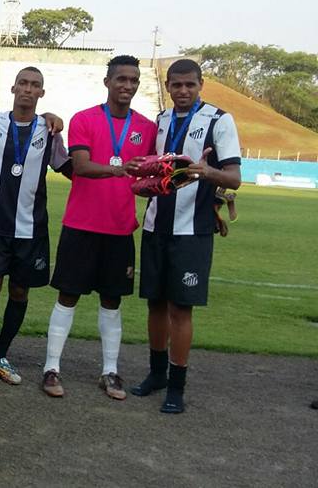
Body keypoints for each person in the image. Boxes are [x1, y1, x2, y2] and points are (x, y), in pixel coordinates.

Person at [41, 55, 158, 400]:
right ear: (107, 82)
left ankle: (110, 371)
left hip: (120, 228)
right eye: (121, 79)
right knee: (68, 296)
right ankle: (51, 368)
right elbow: (80, 166)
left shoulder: (146, 128)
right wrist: (119, 170)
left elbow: (149, 175)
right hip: (81, 225)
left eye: (133, 80)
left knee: (112, 301)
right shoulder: (85, 119)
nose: (127, 85)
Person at [131, 59, 241, 413]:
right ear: (167, 86)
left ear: (200, 85)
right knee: (155, 304)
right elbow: (157, 169)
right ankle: (157, 374)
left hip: (192, 230)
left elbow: (234, 177)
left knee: (180, 308)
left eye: (189, 85)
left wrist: (208, 171)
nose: (182, 91)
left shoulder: (219, 120)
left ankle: (176, 387)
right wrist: (146, 183)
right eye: (176, 85)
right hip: (155, 225)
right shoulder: (162, 120)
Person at [0, 67, 71, 389]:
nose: (28, 89)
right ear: (13, 88)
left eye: (35, 85)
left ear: (42, 93)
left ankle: (1, 356)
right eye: (23, 83)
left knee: (19, 291)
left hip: (31, 229)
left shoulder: (49, 130)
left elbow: (68, 167)